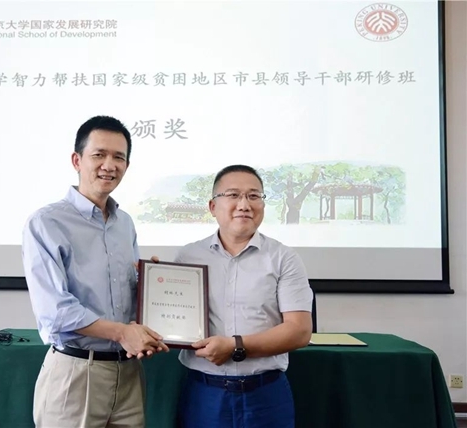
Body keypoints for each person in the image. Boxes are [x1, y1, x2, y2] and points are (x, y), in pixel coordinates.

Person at [22, 115, 168, 428]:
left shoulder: (124, 223)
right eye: (99, 155)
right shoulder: (46, 222)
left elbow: (125, 298)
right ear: (77, 160)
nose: (109, 165)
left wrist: (152, 286)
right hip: (76, 372)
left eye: (119, 157)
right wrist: (123, 333)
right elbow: (55, 311)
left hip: (128, 374)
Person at [175, 164, 313, 428]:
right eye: (233, 195)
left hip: (266, 394)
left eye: (253, 196)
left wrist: (235, 346)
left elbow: (299, 331)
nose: (244, 204)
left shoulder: (284, 258)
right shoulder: (188, 257)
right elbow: (173, 318)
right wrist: (152, 282)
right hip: (205, 394)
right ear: (213, 206)